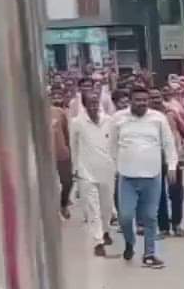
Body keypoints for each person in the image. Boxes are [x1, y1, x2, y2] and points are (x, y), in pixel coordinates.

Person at [108, 84, 177, 268]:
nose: (142, 103)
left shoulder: (158, 119)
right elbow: (112, 146)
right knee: (125, 216)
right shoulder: (118, 119)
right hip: (127, 176)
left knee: (150, 217)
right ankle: (129, 243)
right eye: (137, 100)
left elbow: (168, 144)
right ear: (130, 101)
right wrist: (115, 168)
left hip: (152, 175)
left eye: (144, 100)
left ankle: (149, 254)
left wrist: (171, 166)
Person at [69, 91, 116, 257]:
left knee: (106, 207)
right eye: (91, 103)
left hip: (107, 170)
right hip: (86, 172)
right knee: (92, 208)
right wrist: (75, 169)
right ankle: (98, 242)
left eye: (96, 103)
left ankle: (105, 231)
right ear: (85, 105)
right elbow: (73, 146)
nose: (94, 106)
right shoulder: (77, 123)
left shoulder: (109, 121)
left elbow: (115, 145)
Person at [152, 88, 184, 238]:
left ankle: (177, 224)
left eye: (157, 97)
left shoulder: (171, 114)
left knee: (176, 193)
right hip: (152, 161)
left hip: (173, 159)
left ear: (162, 97)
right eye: (151, 97)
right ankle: (163, 227)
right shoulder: (144, 117)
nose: (155, 100)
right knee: (158, 194)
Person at [49, 85, 73, 220]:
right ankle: (52, 211)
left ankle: (63, 204)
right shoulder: (36, 114)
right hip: (45, 158)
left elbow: (66, 133)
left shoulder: (59, 112)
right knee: (49, 186)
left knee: (67, 182)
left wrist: (68, 150)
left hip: (62, 154)